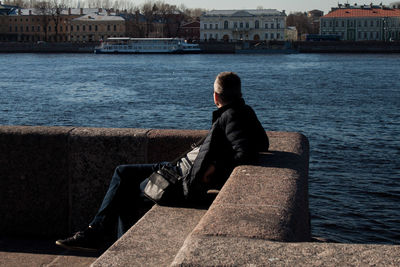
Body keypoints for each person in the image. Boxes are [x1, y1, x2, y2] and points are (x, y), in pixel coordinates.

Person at [55, 71, 269, 252]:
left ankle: (111, 244)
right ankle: (100, 234)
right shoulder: (244, 111)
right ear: (239, 93)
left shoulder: (230, 116)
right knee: (122, 173)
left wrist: (215, 166)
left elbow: (247, 153)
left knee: (126, 190)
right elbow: (263, 142)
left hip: (183, 179)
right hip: (182, 169)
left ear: (215, 96)